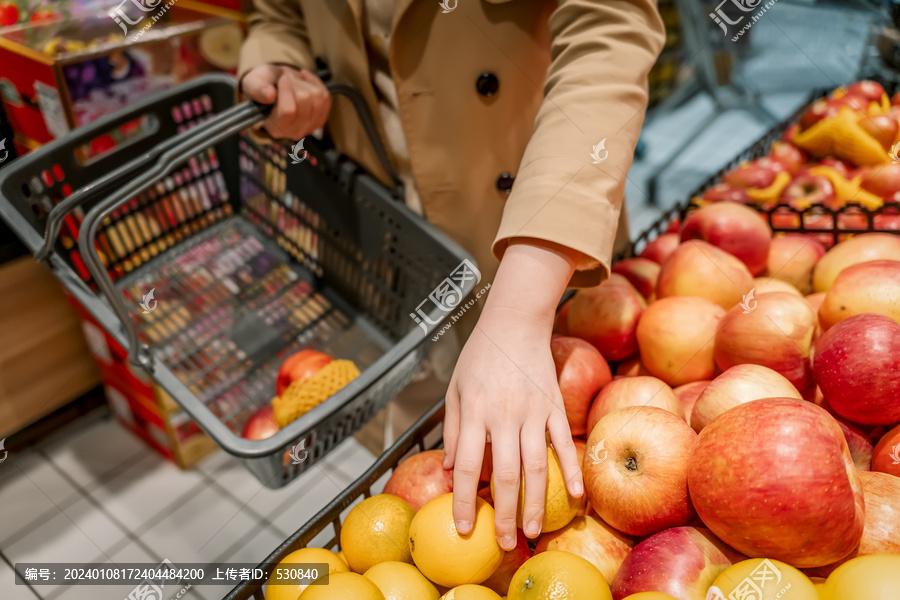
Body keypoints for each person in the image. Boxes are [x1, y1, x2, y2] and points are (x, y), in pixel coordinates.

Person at [238, 0, 665, 552]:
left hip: (533, 235)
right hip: (378, 240)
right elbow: (277, 14)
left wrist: (518, 310)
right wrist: (274, 64)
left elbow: (610, 28)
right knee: (426, 453)